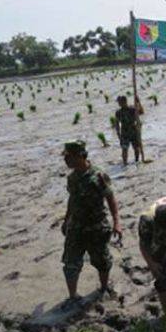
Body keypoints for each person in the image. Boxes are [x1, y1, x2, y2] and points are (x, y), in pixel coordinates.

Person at [61, 140, 122, 304]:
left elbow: (110, 198)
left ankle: (103, 288)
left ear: (80, 156)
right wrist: (66, 220)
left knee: (102, 260)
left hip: (96, 226)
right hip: (76, 226)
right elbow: (72, 200)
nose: (66, 161)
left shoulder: (99, 175)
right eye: (65, 157)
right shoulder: (72, 178)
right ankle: (73, 296)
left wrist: (117, 222)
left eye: (69, 157)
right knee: (70, 262)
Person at [114, 95, 145, 165]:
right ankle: (125, 164)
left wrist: (138, 102)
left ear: (124, 102)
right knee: (124, 149)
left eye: (120, 102)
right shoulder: (118, 112)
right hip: (124, 132)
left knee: (136, 148)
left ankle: (136, 161)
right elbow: (116, 123)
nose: (119, 104)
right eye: (119, 102)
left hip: (133, 131)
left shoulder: (132, 109)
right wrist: (118, 133)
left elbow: (141, 112)